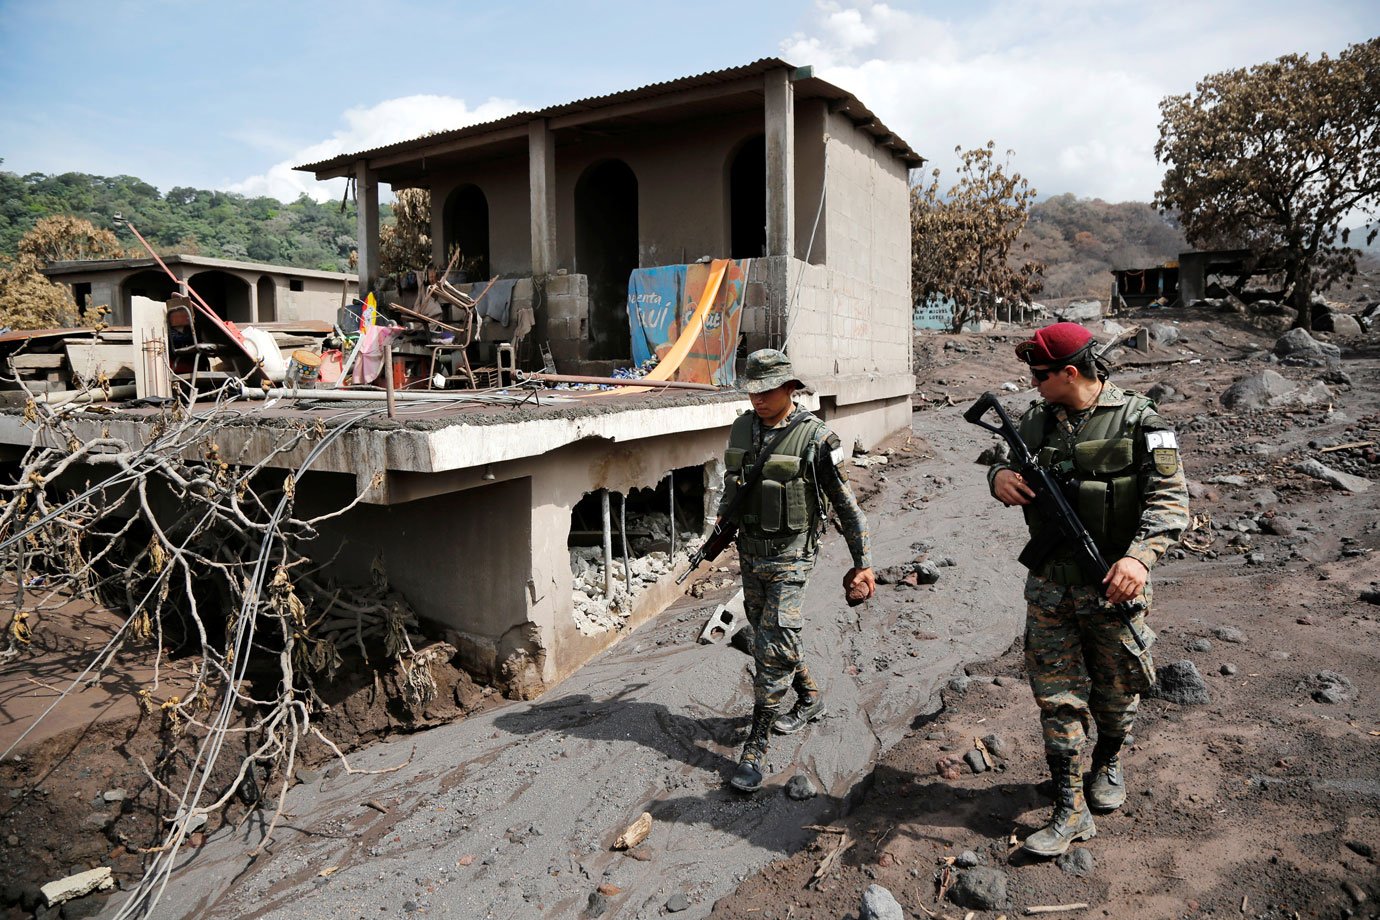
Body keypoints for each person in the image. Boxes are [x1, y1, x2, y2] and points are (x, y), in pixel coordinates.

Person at [987, 322, 1189, 856]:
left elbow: (1171, 502)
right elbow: (999, 462)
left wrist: (1140, 559)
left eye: (1039, 374)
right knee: (1057, 699)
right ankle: (1070, 808)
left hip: (1114, 588)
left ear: (1069, 373)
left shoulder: (1142, 419)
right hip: (1051, 588)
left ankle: (1109, 761)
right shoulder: (1036, 419)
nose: (1032, 383)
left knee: (1118, 694)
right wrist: (999, 480)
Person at [716, 349, 876, 793]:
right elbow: (733, 484)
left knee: (774, 643)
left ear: (790, 389)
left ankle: (756, 745)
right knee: (773, 635)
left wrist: (862, 564)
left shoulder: (816, 439)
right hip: (750, 552)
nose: (759, 400)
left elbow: (846, 506)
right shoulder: (743, 426)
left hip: (791, 556)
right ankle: (810, 698)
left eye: (768, 391)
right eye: (753, 391)